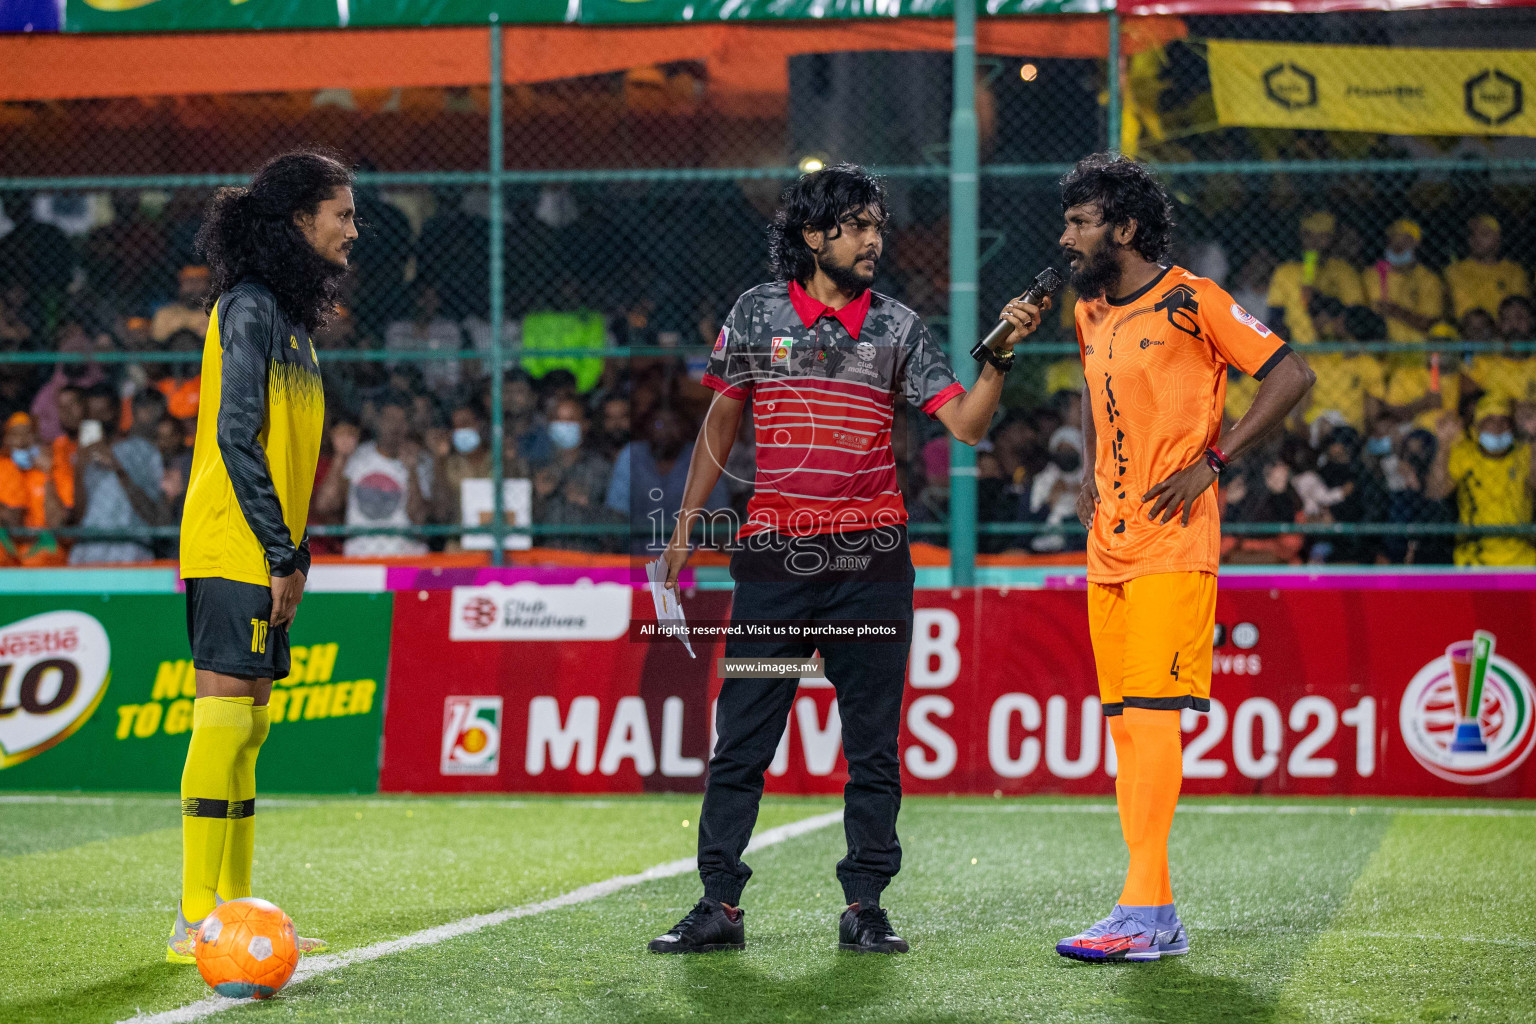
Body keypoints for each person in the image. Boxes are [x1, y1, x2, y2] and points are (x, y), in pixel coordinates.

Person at [649, 163, 1027, 956]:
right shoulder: (754, 312)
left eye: (877, 226)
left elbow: (964, 426)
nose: (872, 240)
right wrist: (686, 530)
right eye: (856, 225)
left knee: (872, 743)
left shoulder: (897, 326)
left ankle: (865, 904)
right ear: (814, 235)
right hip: (774, 565)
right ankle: (718, 903)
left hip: (872, 569)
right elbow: (721, 422)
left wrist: (997, 361)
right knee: (744, 735)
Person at [1051, 154, 1314, 962]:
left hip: (1175, 540)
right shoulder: (1089, 310)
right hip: (1110, 545)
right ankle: (1153, 913)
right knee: (1127, 730)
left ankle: (1142, 909)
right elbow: (1097, 399)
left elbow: (1291, 374)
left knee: (1155, 724)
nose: (1067, 237)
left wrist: (1216, 460)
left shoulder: (1197, 301)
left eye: (1081, 222)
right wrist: (1094, 477)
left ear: (1124, 229)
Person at [169, 149, 355, 963]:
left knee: (248, 729)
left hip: (268, 544)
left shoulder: (287, 320)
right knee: (221, 720)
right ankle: (192, 918)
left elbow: (289, 456)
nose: (355, 227)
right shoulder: (247, 309)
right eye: (342, 213)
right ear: (298, 220)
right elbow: (235, 438)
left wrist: (297, 552)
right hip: (233, 541)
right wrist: (281, 553)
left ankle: (235, 912)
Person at [314, 394, 431, 557]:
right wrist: (340, 457)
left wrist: (411, 470)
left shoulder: (421, 461)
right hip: (361, 555)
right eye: (388, 419)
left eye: (400, 420)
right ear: (378, 421)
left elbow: (419, 518)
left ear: (408, 425)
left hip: (407, 555)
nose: (394, 427)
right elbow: (325, 505)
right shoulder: (358, 457)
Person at [1426, 397, 1535, 566]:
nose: (1498, 428)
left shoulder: (1524, 454)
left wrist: (1533, 436)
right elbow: (1436, 491)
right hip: (1474, 553)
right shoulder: (1464, 453)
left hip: (1522, 552)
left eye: (1504, 421)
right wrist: (1444, 444)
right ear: (1477, 427)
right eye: (1489, 421)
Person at [69, 390, 169, 565]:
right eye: (91, 414)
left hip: (130, 549)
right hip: (88, 550)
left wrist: (119, 469)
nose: (97, 418)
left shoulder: (145, 451)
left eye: (103, 412)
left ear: (118, 413)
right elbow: (79, 516)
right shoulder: (84, 456)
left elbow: (154, 516)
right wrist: (80, 467)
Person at [1265, 211, 1363, 344]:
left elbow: (1357, 312)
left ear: (1333, 238)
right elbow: (1275, 315)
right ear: (1300, 236)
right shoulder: (1285, 271)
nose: (1314, 242)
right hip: (1297, 348)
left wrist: (1328, 312)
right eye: (1308, 235)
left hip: (1335, 348)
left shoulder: (1343, 270)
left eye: (1323, 236)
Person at [1361, 219, 1445, 344]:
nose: (1398, 246)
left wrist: (1396, 311)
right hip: (1381, 352)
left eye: (1405, 241)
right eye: (1393, 239)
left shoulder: (1428, 279)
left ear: (1417, 244)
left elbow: (1431, 324)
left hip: (1418, 350)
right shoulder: (1371, 275)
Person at [0, 412, 68, 566]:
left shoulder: (53, 469)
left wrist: (48, 474)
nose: (22, 442)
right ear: (6, 440)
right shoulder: (3, 469)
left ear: (36, 438)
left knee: (42, 556)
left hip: (43, 546)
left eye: (28, 434)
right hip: (8, 547)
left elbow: (57, 523)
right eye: (15, 435)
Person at [1443, 215, 1529, 324]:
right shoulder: (1454, 271)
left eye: (1484, 233)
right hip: (1470, 332)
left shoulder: (1514, 271)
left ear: (1498, 239)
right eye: (1472, 234)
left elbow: (1519, 311)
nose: (1476, 239)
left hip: (1506, 332)